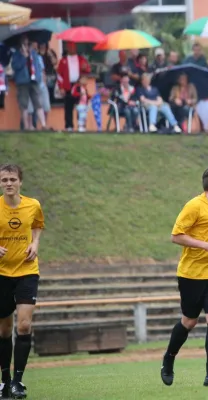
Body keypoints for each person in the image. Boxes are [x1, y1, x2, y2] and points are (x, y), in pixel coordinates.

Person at [160, 167, 208, 388]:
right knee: (189, 321)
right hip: (191, 274)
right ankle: (169, 358)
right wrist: (207, 246)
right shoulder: (194, 206)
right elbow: (176, 236)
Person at [0, 164, 45, 399]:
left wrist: (35, 243)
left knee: (24, 325)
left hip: (27, 271)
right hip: (2, 275)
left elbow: (37, 226)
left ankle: (18, 381)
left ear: (20, 182)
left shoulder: (33, 205)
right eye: (4, 179)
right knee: (4, 330)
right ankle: (4, 381)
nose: (9, 183)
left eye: (13, 179)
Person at [11, 35, 49, 131]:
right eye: (24, 44)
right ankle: (26, 126)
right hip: (22, 82)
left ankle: (44, 125)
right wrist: (24, 58)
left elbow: (37, 66)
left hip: (33, 80)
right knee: (24, 104)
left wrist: (38, 78)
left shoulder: (33, 53)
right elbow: (15, 67)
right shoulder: (17, 54)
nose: (27, 46)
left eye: (28, 43)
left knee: (38, 102)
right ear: (21, 44)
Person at [56, 42, 91, 131]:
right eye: (70, 47)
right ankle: (69, 126)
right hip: (67, 86)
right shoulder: (63, 61)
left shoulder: (81, 59)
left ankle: (81, 125)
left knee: (81, 106)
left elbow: (87, 70)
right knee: (68, 107)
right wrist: (61, 87)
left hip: (78, 85)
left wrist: (84, 68)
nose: (72, 49)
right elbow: (59, 76)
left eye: (73, 47)